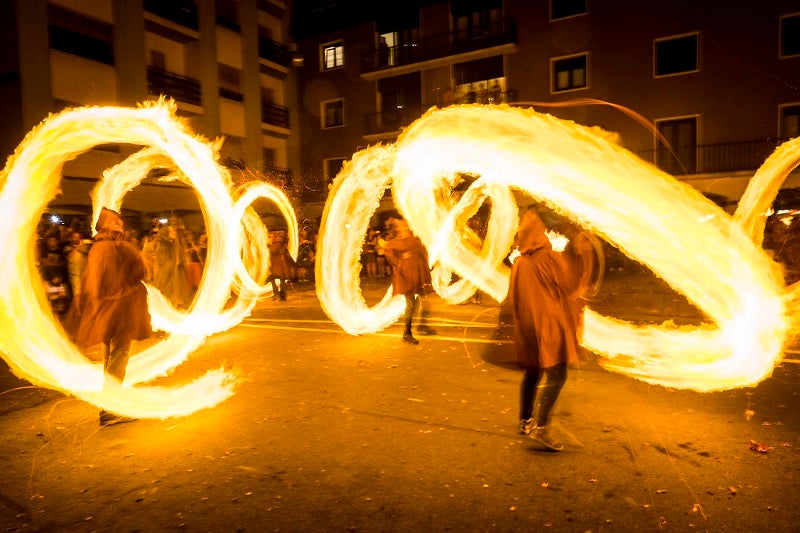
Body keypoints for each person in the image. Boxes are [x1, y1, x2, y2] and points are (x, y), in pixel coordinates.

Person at [510, 207, 592, 451]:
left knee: (533, 373)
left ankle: (525, 421)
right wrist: (585, 264)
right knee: (557, 375)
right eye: (544, 228)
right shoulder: (550, 258)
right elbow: (569, 287)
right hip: (550, 326)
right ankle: (542, 428)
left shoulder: (519, 262)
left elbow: (513, 297)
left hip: (528, 326)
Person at [66, 208, 152, 427]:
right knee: (119, 356)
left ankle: (108, 405)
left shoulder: (97, 248)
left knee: (109, 358)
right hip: (120, 311)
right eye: (117, 223)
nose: (121, 226)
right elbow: (142, 270)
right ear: (110, 225)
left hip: (104, 313)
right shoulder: (118, 246)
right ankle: (110, 409)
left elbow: (89, 283)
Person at [382, 215, 436, 344]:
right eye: (403, 225)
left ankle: (420, 326)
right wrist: (399, 261)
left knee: (420, 302)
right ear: (398, 228)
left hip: (416, 275)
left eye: (406, 224)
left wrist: (428, 266)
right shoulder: (397, 242)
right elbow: (388, 251)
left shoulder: (413, 240)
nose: (406, 226)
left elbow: (422, 252)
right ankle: (407, 333)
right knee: (412, 304)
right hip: (406, 275)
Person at [153, 224, 193, 308]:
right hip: (167, 277)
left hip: (175, 275)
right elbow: (163, 262)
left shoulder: (173, 243)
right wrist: (175, 263)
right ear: (166, 233)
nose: (175, 232)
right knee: (166, 296)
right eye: (172, 231)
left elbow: (178, 257)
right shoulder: (162, 245)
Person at [267, 230, 296, 301]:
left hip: (277, 265)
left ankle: (278, 294)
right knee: (280, 279)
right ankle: (281, 295)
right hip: (280, 265)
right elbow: (287, 256)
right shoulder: (281, 246)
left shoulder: (274, 245)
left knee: (275, 279)